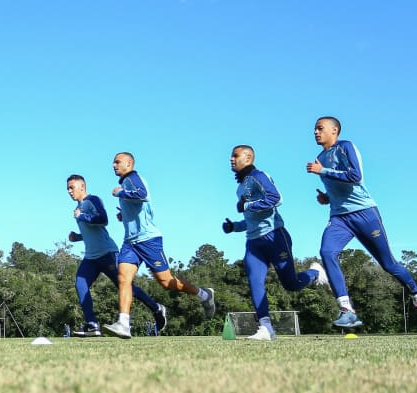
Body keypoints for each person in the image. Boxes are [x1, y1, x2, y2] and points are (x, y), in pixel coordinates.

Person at [307, 116, 417, 331]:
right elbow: (339, 188)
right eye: (314, 129)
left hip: (365, 213)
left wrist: (323, 171)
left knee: (388, 265)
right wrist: (327, 198)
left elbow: (355, 177)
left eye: (320, 128)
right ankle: (347, 310)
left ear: (334, 130)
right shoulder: (320, 157)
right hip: (339, 217)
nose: (315, 132)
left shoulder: (345, 146)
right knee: (327, 252)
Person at [103, 152, 215, 339]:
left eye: (117, 161)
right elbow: (138, 206)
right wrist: (124, 215)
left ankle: (204, 294)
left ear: (129, 163)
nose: (113, 165)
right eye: (113, 162)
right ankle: (123, 323)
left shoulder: (132, 178)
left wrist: (119, 193)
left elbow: (142, 194)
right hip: (130, 242)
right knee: (123, 279)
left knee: (166, 282)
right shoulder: (126, 182)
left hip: (148, 240)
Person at [223, 145, 328, 341]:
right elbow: (251, 219)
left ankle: (315, 273)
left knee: (291, 284)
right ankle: (266, 328)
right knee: (255, 282)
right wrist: (234, 227)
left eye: (235, 156)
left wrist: (247, 204)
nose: (231, 159)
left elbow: (276, 198)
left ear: (248, 158)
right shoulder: (240, 187)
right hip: (253, 242)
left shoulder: (258, 176)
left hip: (275, 236)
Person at [66, 174, 168, 337]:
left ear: (82, 187)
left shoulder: (92, 200)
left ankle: (156, 308)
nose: (69, 191)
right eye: (68, 189)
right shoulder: (78, 209)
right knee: (80, 284)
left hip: (107, 253)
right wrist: (77, 237)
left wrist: (81, 216)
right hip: (91, 257)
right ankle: (92, 324)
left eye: (72, 187)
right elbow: (90, 232)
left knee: (126, 286)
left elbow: (103, 220)